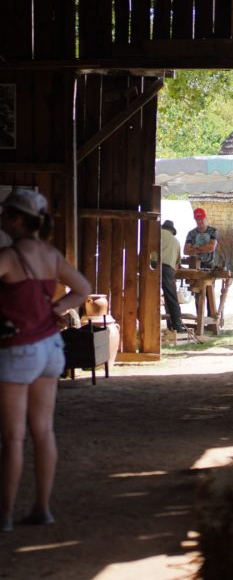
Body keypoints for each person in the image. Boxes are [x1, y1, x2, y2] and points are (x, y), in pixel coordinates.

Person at [0, 188, 91, 532]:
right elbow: (82, 287)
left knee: (11, 438)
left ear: (18, 220)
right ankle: (42, 507)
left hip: (18, 349)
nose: (2, 218)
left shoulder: (8, 257)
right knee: (43, 431)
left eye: (7, 213)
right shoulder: (51, 255)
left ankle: (5, 515)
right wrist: (57, 308)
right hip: (50, 348)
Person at [161, 220, 186, 333]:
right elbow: (177, 264)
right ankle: (177, 327)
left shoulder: (156, 233)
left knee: (149, 296)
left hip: (152, 267)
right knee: (171, 298)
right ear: (172, 230)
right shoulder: (176, 241)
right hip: (167, 269)